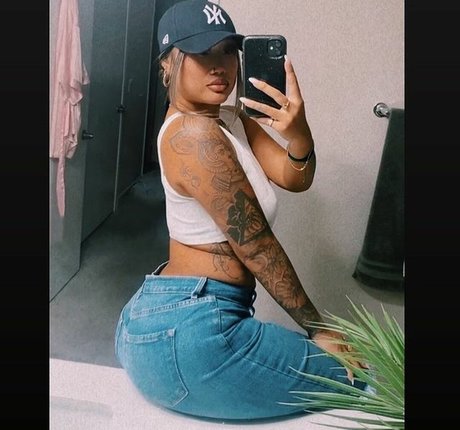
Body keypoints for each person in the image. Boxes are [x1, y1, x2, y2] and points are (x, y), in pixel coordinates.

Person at [115, 0, 368, 421]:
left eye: (228, 50)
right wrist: (319, 327)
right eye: (202, 53)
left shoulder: (232, 119)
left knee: (350, 371)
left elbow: (294, 177)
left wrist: (300, 135)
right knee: (361, 379)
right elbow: (256, 245)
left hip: (169, 315)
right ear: (168, 64)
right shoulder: (192, 135)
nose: (220, 66)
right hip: (192, 327)